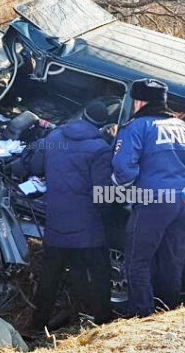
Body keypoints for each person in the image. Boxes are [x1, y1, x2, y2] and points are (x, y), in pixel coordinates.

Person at [112, 78, 185, 317]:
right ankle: (168, 312)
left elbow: (123, 169)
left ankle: (142, 316)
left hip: (154, 200)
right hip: (184, 201)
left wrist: (119, 188)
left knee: (137, 261)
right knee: (172, 259)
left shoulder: (136, 127)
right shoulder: (183, 127)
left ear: (140, 102)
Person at [28, 100, 114, 330]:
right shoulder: (100, 149)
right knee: (99, 274)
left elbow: (36, 167)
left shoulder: (55, 138)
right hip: (87, 229)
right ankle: (105, 324)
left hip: (56, 222)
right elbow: (102, 193)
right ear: (102, 125)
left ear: (82, 115)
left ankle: (37, 327)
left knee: (50, 276)